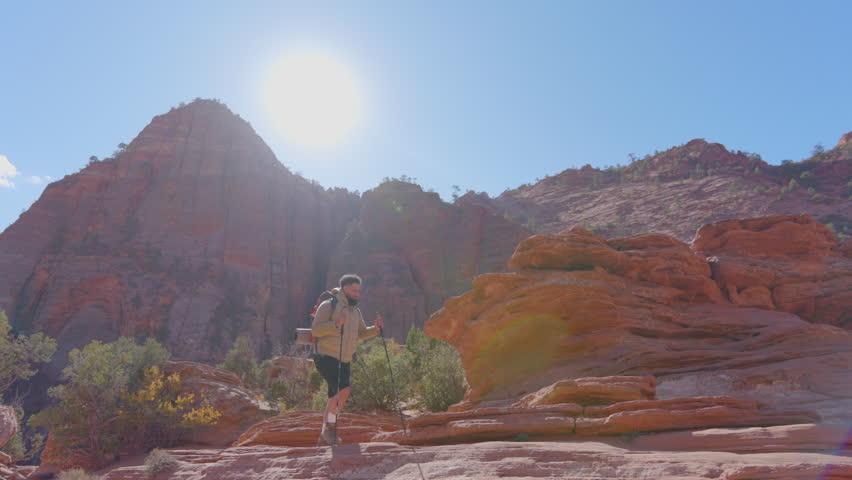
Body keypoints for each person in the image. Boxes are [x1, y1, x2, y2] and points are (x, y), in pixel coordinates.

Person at [311, 274, 384, 445]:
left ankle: (327, 431)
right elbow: (316, 330)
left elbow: (362, 333)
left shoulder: (354, 311)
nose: (357, 293)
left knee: (341, 392)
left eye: (358, 290)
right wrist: (336, 323)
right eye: (353, 290)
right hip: (325, 355)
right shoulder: (328, 305)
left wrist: (375, 329)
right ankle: (328, 430)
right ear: (344, 289)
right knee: (340, 391)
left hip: (344, 358)